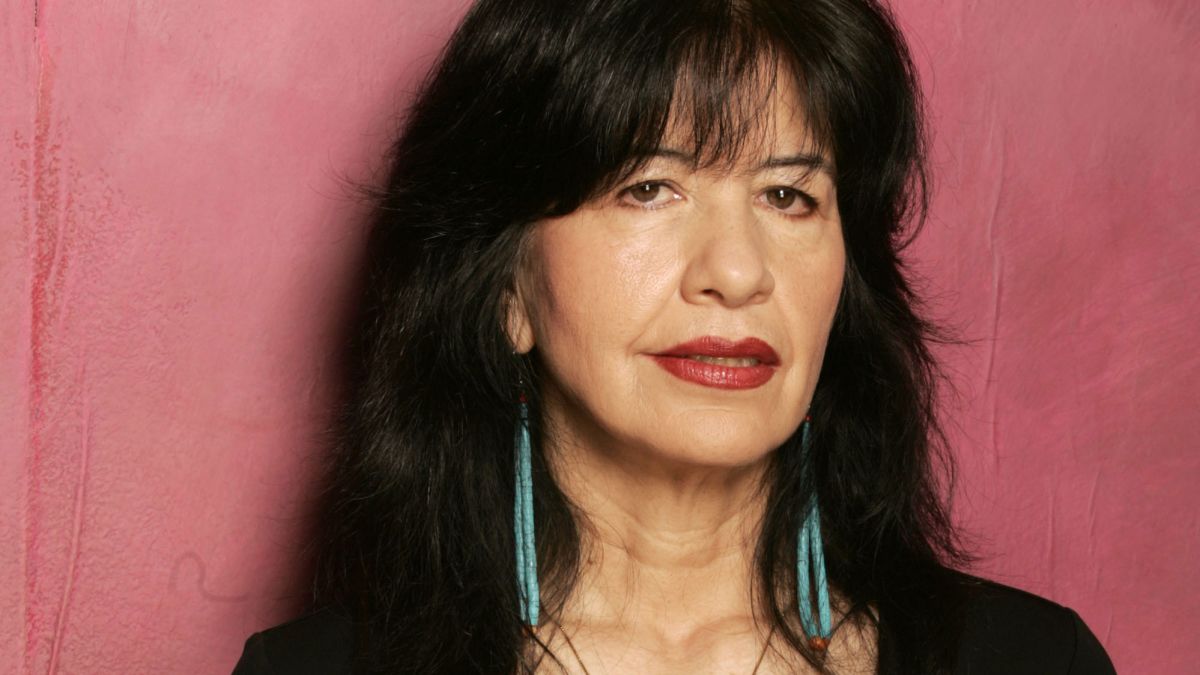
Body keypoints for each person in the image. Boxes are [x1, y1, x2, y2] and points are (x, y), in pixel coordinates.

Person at [233, 0, 1117, 672]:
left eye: (788, 196)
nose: (737, 271)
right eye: (649, 187)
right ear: (506, 289)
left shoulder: (1036, 660)